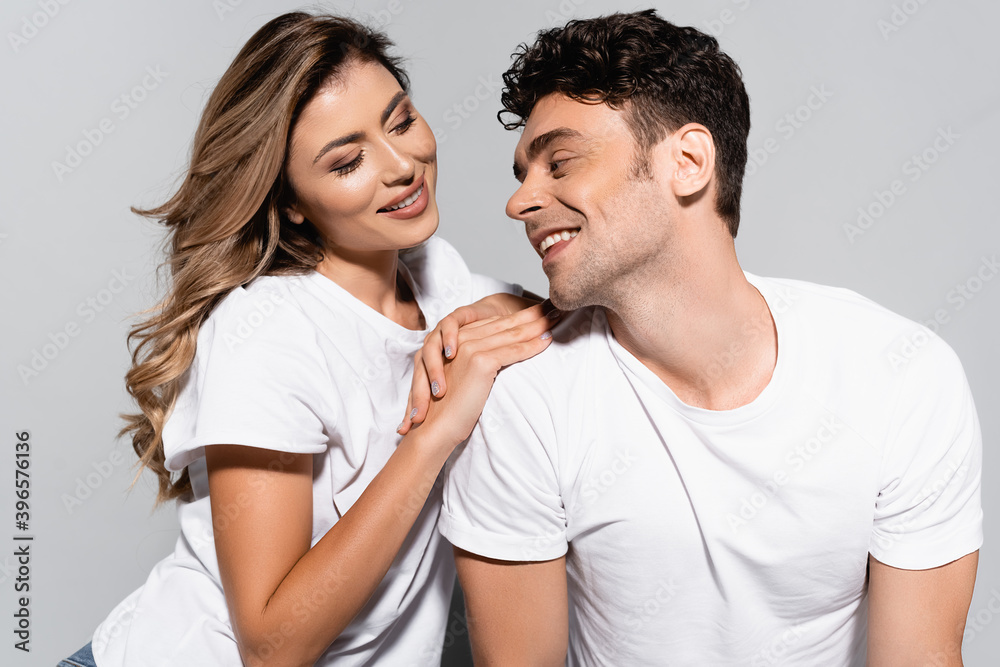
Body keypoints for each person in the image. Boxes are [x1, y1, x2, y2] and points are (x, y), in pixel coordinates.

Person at [435, 9, 983, 666]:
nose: (520, 200)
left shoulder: (901, 377)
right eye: (523, 172)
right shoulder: (523, 396)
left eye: (560, 161)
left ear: (688, 161)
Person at [58, 11, 554, 667]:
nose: (403, 165)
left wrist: (490, 308)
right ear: (292, 201)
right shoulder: (266, 333)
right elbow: (272, 646)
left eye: (401, 120)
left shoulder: (433, 273)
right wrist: (434, 433)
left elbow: (568, 313)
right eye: (348, 161)